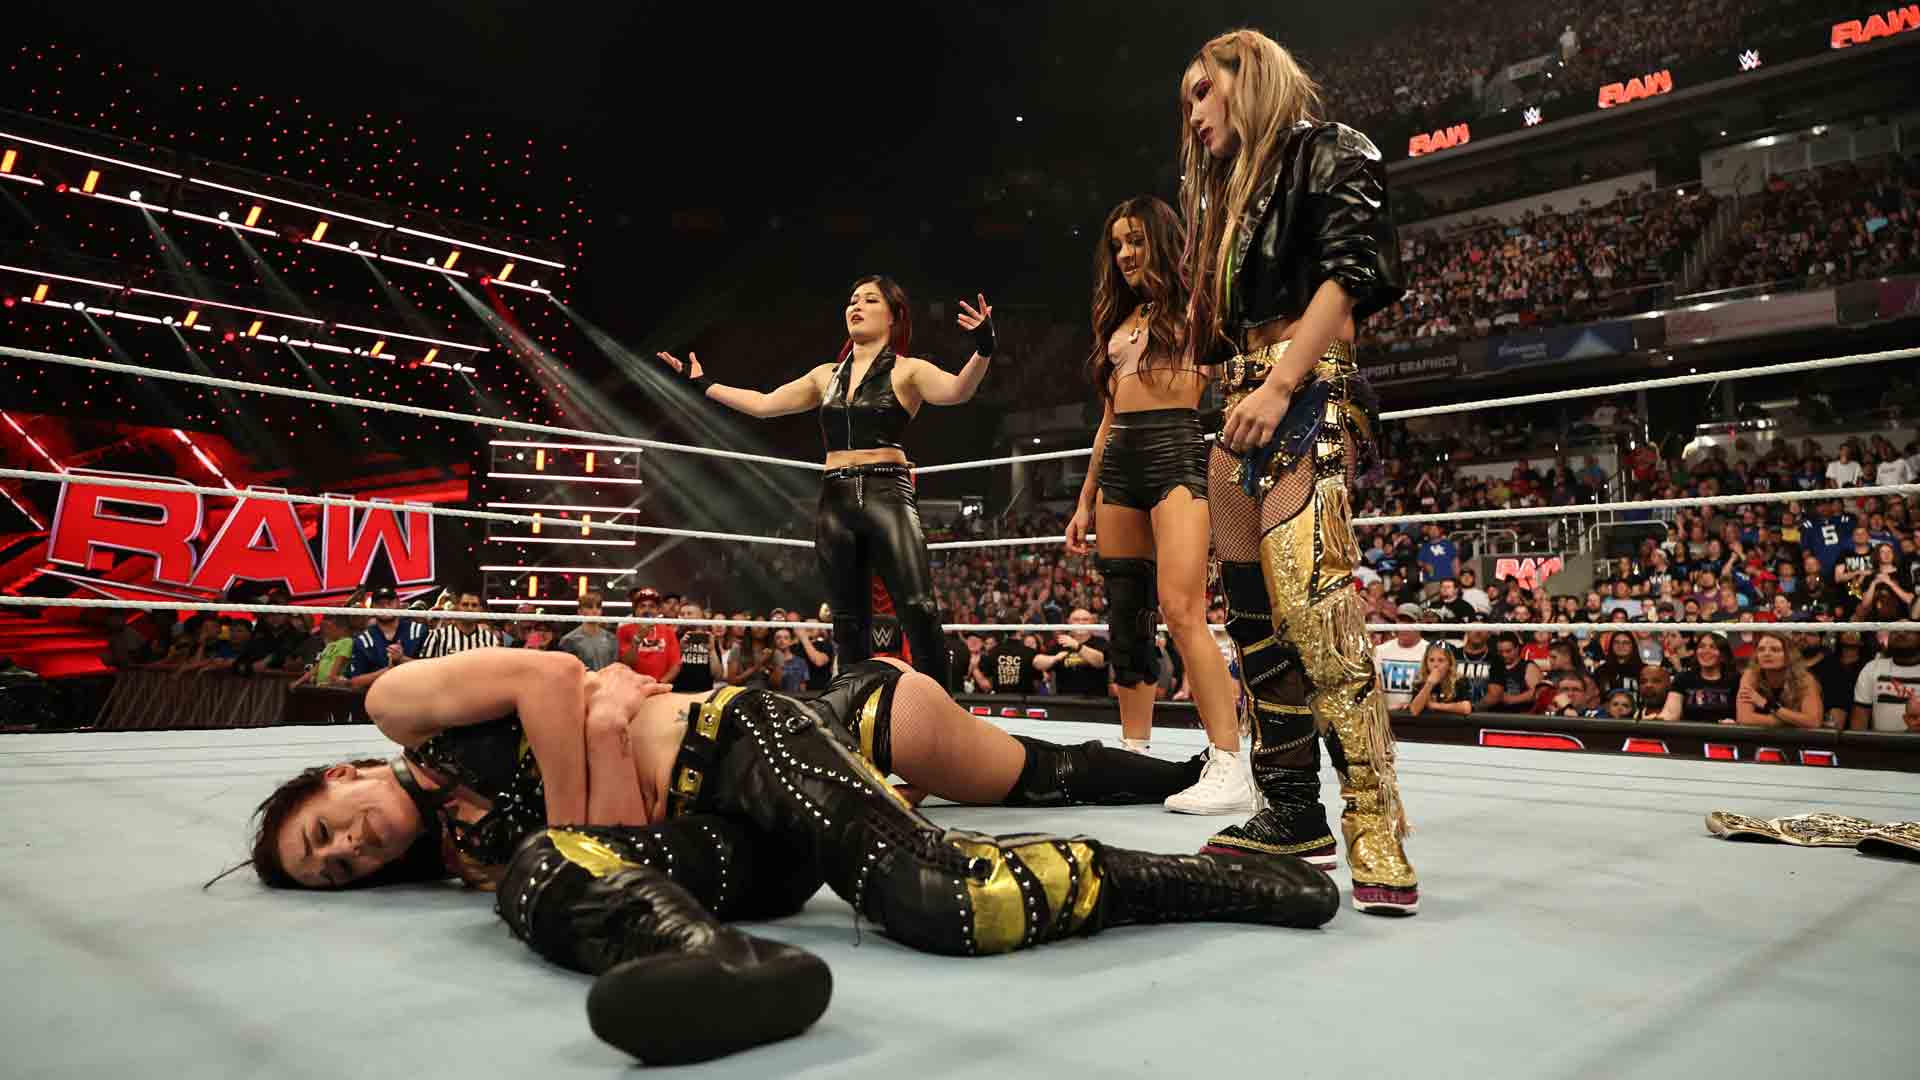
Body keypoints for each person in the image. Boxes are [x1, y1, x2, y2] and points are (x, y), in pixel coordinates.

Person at [240, 651, 1312, 1064]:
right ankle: (713, 962)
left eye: (324, 829)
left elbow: (554, 678)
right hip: (729, 846)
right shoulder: (475, 857)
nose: (349, 848)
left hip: (742, 744)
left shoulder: (401, 713)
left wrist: (593, 791)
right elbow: (597, 776)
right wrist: (591, 796)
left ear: (335, 776)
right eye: (337, 870)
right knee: (540, 875)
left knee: (945, 895)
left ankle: (1212, 869)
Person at [1176, 29, 1415, 913]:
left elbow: (1349, 278)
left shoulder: (1332, 149)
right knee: (1254, 621)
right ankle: (1290, 810)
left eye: (1203, 91)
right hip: (1240, 402)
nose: (1193, 114)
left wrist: (1281, 385)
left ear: (1249, 78)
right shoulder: (1231, 196)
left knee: (1318, 614)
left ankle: (1375, 824)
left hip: (1304, 390)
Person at [658, 276, 997, 683]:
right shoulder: (826, 376)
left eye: (870, 300)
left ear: (893, 316)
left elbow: (957, 391)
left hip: (886, 489)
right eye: (853, 300)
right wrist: (703, 384)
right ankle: (852, 702)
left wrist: (983, 347)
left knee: (918, 604)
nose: (857, 306)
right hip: (835, 496)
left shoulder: (909, 370)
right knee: (847, 617)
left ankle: (939, 701)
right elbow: (765, 404)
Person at [1063, 194, 1249, 812]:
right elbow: (1108, 418)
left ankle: (1230, 762)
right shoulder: (1120, 317)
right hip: (1121, 461)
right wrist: (1084, 500)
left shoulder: (1198, 306)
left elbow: (1238, 375)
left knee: (1181, 608)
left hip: (1177, 451)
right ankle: (1134, 755)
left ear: (1163, 241)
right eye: (1117, 244)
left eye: (1137, 240)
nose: (1125, 254)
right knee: (1126, 612)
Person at [1735, 631, 1824, 728]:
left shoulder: (1805, 679)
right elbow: (1744, 718)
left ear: (1789, 655)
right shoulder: (1751, 675)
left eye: (1775, 650)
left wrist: (1767, 704)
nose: (1766, 654)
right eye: (1761, 649)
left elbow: (1813, 721)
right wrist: (1793, 722)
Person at [1850, 628, 1920, 732]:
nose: (1901, 633)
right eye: (1895, 630)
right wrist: (1858, 741)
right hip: (1881, 741)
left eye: (1908, 630)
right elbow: (1860, 717)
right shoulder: (1872, 668)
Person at [1036, 608, 1113, 699]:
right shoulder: (1061, 643)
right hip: (1066, 700)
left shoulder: (1101, 642)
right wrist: (1055, 658)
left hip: (1097, 701)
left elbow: (1101, 661)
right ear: (1069, 622)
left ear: (1092, 622)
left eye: (1085, 619)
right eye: (1076, 619)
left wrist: (1077, 646)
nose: (1081, 622)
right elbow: (1037, 663)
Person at [1662, 632, 1737, 724]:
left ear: (1723, 655)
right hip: (1691, 732)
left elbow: (1743, 716)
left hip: (1725, 732)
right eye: (1701, 646)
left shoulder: (1735, 680)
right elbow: (1670, 713)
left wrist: (1733, 723)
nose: (1706, 651)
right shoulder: (1683, 678)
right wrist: (1657, 720)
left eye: (1713, 647)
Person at [617, 588, 681, 684]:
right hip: (631, 686)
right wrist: (637, 639)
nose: (647, 610)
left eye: (652, 606)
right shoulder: (623, 630)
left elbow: (675, 664)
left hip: (660, 686)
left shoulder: (668, 632)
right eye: (642, 606)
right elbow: (625, 664)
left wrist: (659, 684)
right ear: (635, 610)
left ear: (658, 610)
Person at [557, 592, 619, 672]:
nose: (595, 611)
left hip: (607, 679)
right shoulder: (569, 640)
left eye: (598, 607)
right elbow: (566, 671)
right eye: (590, 607)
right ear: (580, 612)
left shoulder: (611, 638)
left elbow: (615, 669)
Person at [1406, 644, 1471, 717]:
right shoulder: (1420, 682)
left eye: (1441, 660)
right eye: (1431, 660)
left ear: (1449, 663)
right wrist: (1429, 684)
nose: (1435, 665)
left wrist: (1435, 705)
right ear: (1426, 663)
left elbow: (1466, 708)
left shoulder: (1460, 681)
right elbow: (1414, 711)